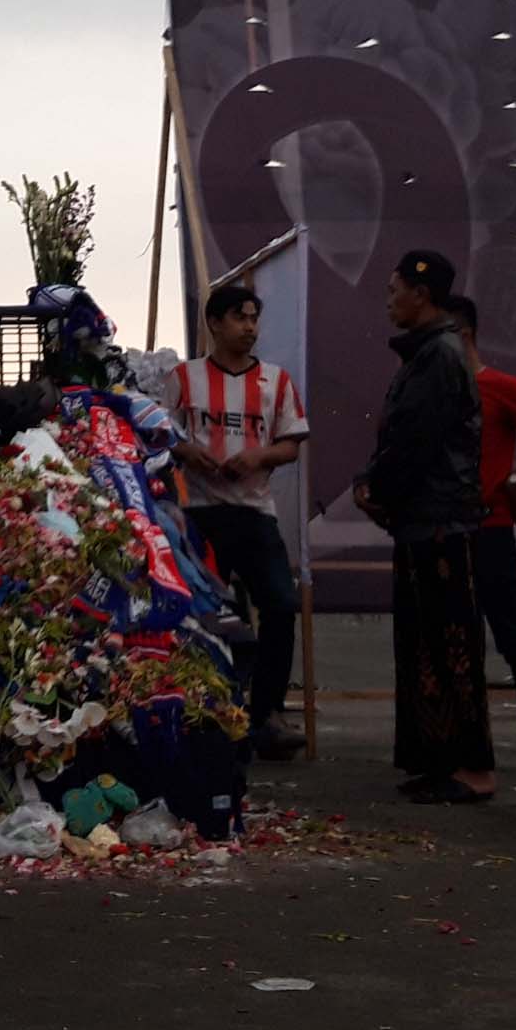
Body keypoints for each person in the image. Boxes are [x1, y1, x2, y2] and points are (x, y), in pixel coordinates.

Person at [355, 249, 494, 805]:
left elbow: (415, 442)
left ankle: (475, 766)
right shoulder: (426, 354)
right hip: (423, 520)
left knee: (450, 645)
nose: (388, 298)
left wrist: (376, 487)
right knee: (423, 646)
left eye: (394, 288)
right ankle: (440, 759)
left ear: (422, 293)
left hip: (441, 523)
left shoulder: (438, 355)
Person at [172, 280, 309, 759]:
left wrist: (257, 457)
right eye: (239, 317)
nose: (249, 327)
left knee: (280, 603)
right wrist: (188, 450)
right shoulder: (183, 378)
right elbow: (161, 436)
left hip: (254, 513)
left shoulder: (276, 380)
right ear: (214, 322)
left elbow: (291, 444)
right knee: (201, 615)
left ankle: (267, 712)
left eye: (254, 318)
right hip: (200, 515)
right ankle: (202, 712)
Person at [454, 296, 516, 765]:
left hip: (490, 529)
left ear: (464, 333)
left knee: (511, 633)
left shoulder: (502, 388)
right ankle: (465, 742)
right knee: (457, 638)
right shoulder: (432, 392)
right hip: (444, 532)